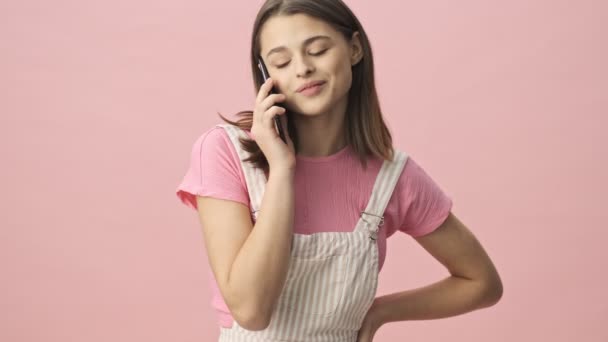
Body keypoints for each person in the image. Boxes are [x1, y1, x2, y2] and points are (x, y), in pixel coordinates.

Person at [176, 0, 503, 341]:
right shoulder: (225, 153)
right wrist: (282, 170)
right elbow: (252, 312)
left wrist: (381, 311)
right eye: (282, 62)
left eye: (317, 50)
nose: (302, 69)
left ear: (355, 49)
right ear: (264, 75)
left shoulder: (392, 177)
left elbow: (482, 282)